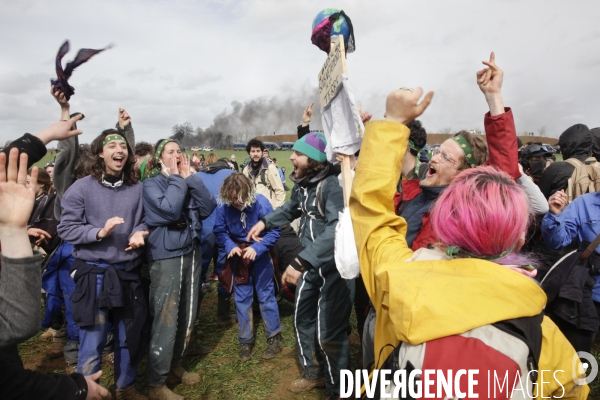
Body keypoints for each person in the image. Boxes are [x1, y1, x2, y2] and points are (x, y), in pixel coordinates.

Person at [350, 86, 587, 399]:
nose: (434, 157)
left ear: (445, 224)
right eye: (437, 151)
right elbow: (571, 389)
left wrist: (391, 123)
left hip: (396, 306)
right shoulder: (542, 333)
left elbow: (372, 213)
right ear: (517, 238)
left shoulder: (398, 274)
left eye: (447, 156)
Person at [246, 132, 353, 399]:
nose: (291, 157)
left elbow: (337, 229)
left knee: (329, 329)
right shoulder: (304, 183)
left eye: (298, 153)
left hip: (332, 267)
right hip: (308, 264)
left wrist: (301, 260)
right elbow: (291, 209)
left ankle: (338, 388)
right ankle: (312, 372)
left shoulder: (332, 186)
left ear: (315, 159)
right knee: (301, 317)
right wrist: (265, 222)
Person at [0, 148, 110, 400]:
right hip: (68, 258)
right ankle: (71, 354)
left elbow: (15, 326)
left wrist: (14, 230)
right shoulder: (69, 192)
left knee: (82, 311)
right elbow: (18, 324)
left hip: (85, 261)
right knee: (67, 307)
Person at [58, 129, 149, 400]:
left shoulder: (137, 188)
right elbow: (67, 228)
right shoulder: (81, 188)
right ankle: (88, 392)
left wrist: (140, 232)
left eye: (123, 145)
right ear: (100, 152)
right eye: (112, 146)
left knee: (127, 336)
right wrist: (98, 232)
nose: (119, 150)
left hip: (127, 272)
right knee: (93, 338)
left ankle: (126, 388)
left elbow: (145, 220)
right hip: (94, 274)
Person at [141, 139, 216, 399]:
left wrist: (191, 180)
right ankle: (156, 383)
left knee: (187, 311)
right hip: (166, 255)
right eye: (170, 152)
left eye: (179, 152)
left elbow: (208, 208)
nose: (176, 156)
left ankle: (175, 365)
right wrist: (177, 179)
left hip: (190, 250)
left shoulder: (186, 178)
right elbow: (170, 211)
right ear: (159, 158)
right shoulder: (151, 184)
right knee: (166, 317)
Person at [214, 173, 282, 361]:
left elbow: (275, 230)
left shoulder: (261, 203)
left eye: (239, 198)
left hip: (260, 255)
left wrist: (258, 247)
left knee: (265, 293)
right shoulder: (224, 205)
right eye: (232, 198)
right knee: (242, 296)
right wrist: (230, 246)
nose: (236, 202)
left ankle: (274, 336)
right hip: (238, 257)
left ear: (248, 192)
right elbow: (220, 231)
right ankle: (245, 340)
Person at [542, 188, 600, 353]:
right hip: (587, 293)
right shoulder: (585, 203)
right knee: (576, 356)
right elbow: (557, 241)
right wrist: (555, 215)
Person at [195, 157, 236, 332]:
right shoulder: (232, 174)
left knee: (198, 274)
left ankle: (194, 320)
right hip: (224, 230)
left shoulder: (196, 176)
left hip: (202, 231)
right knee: (224, 270)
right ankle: (223, 316)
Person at [538, 124, 594, 199]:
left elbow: (540, 203)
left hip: (562, 210)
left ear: (566, 147)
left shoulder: (555, 169)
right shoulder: (597, 168)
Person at [242, 139, 285, 209]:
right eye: (253, 151)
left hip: (268, 210)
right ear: (249, 153)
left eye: (258, 151)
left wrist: (275, 210)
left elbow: (280, 191)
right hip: (252, 211)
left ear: (262, 152)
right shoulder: (246, 170)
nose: (255, 154)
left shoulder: (270, 168)